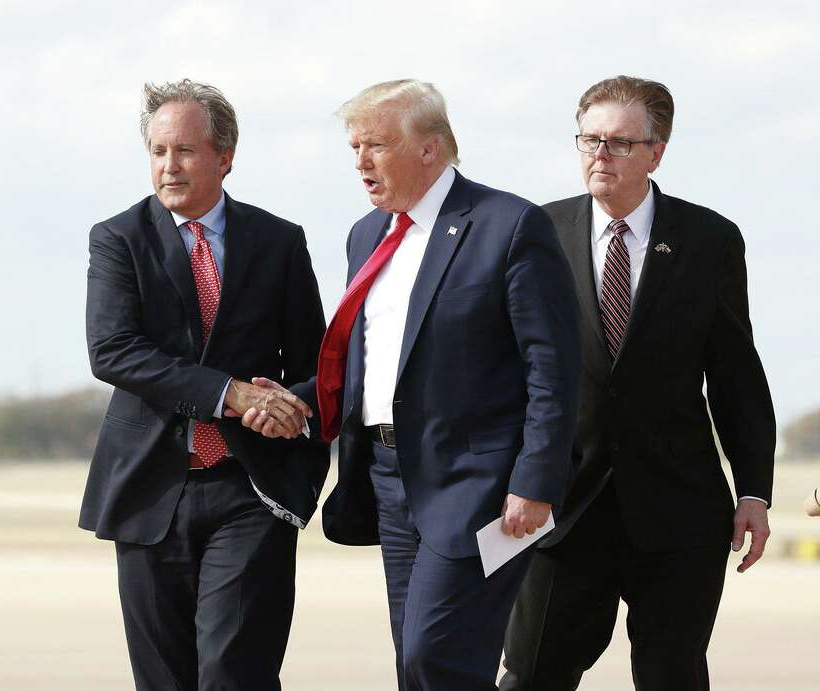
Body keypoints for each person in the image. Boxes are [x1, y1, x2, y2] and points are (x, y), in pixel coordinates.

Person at [243, 79, 581, 691]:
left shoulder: (509, 224)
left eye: (375, 145)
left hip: (480, 486)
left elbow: (552, 371)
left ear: (430, 149)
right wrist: (291, 399)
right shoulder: (366, 235)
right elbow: (369, 365)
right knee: (419, 664)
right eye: (354, 148)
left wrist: (535, 482)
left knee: (435, 655)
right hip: (389, 480)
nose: (360, 162)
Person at [499, 75, 776, 691]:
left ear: (657, 151)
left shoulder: (710, 240)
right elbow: (503, 374)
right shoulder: (533, 233)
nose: (601, 154)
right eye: (590, 139)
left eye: (621, 143)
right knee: (529, 676)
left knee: (672, 676)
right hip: (558, 509)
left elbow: (736, 376)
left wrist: (754, 489)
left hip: (678, 514)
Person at [79, 79, 328, 691]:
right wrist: (231, 393)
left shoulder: (279, 240)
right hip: (148, 489)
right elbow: (113, 351)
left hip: (250, 488)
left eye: (185, 151)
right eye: (158, 151)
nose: (169, 166)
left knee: (233, 676)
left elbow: (318, 364)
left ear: (225, 156)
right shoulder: (118, 238)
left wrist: (286, 407)